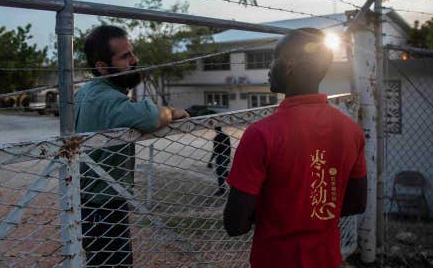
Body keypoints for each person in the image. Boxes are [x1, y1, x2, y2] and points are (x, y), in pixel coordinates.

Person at [223, 28, 368, 268]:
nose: (269, 68)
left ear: (289, 64)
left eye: (274, 59)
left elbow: (235, 224)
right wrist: (312, 215)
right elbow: (356, 203)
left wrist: (278, 215)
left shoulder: (261, 134)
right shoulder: (350, 130)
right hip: (327, 259)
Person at [74, 25, 189, 267]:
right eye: (125, 56)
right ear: (102, 67)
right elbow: (149, 118)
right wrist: (170, 111)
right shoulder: (105, 99)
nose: (135, 60)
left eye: (132, 52)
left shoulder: (87, 92)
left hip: (91, 200)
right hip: (102, 205)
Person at [207, 126, 231, 196]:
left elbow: (215, 150)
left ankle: (222, 190)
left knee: (220, 173)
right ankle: (232, 184)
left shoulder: (216, 138)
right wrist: (228, 157)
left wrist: (210, 161)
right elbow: (229, 148)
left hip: (220, 156)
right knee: (223, 171)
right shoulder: (226, 136)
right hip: (225, 155)